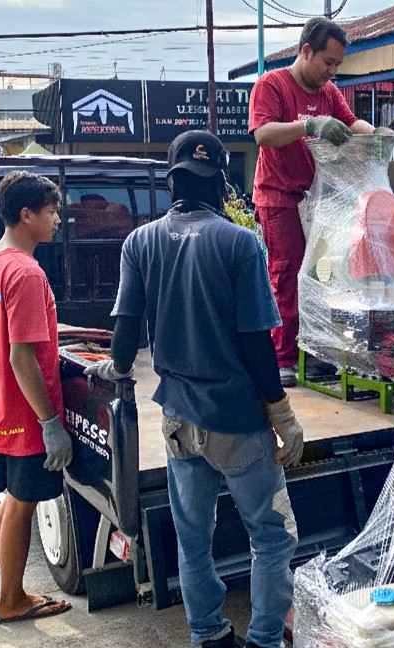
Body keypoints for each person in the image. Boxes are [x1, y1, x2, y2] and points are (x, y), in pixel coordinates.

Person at [85, 130, 304, 648]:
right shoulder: (240, 242)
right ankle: (266, 639)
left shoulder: (140, 242)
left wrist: (109, 373)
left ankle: (209, 633)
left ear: (173, 180)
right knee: (271, 537)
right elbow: (256, 341)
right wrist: (281, 411)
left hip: (179, 419)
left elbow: (123, 340)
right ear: (221, 184)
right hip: (239, 422)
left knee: (193, 537)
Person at [248, 16, 394, 387]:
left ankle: (314, 350)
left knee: (322, 274)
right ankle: (282, 357)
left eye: (337, 66)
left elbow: (349, 122)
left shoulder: (328, 93)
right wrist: (308, 126)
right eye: (327, 62)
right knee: (288, 272)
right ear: (306, 50)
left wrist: (375, 133)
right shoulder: (272, 85)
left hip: (317, 199)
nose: (331, 72)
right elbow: (263, 135)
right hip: (279, 196)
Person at [0, 171, 72, 632]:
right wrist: (50, 422)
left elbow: (3, 332)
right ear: (27, 215)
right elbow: (21, 355)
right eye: (52, 212)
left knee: (10, 502)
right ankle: (12, 600)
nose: (58, 220)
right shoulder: (25, 272)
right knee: (21, 508)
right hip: (25, 416)